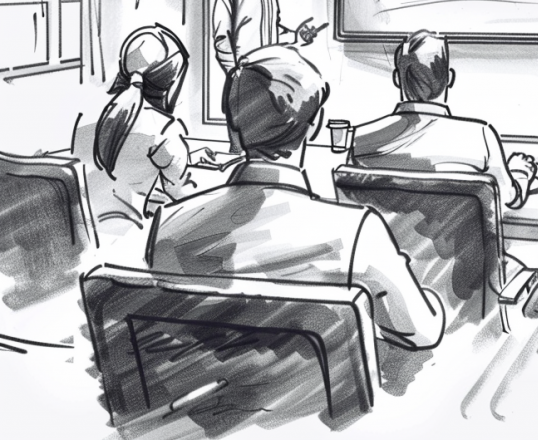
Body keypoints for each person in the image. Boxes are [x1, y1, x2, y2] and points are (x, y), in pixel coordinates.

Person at [146, 45, 445, 350]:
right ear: (315, 126)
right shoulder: (357, 231)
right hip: (323, 378)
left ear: (232, 127)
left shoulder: (167, 227)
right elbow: (421, 333)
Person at [352, 29, 537, 209]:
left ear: (396, 79)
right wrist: (520, 172)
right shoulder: (481, 136)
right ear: (450, 78)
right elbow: (508, 196)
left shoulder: (358, 139)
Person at [84, 24, 214, 239]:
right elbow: (178, 189)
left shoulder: (109, 115)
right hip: (144, 232)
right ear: (171, 83)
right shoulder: (164, 129)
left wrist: (189, 157)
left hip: (108, 225)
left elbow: (143, 162)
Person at [213, 0, 321, 151]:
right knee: (241, 145)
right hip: (244, 79)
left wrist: (296, 36)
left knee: (268, 144)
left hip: (271, 77)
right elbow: (222, 39)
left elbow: (272, 27)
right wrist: (235, 72)